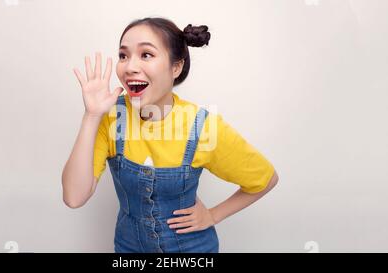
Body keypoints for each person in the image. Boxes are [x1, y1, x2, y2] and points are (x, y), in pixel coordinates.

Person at [62, 17, 279, 253]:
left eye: (146, 54)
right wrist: (91, 116)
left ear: (176, 67)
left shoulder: (201, 126)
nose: (130, 66)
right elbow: (74, 197)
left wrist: (213, 215)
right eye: (124, 55)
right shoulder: (112, 116)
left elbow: (266, 179)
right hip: (129, 249)